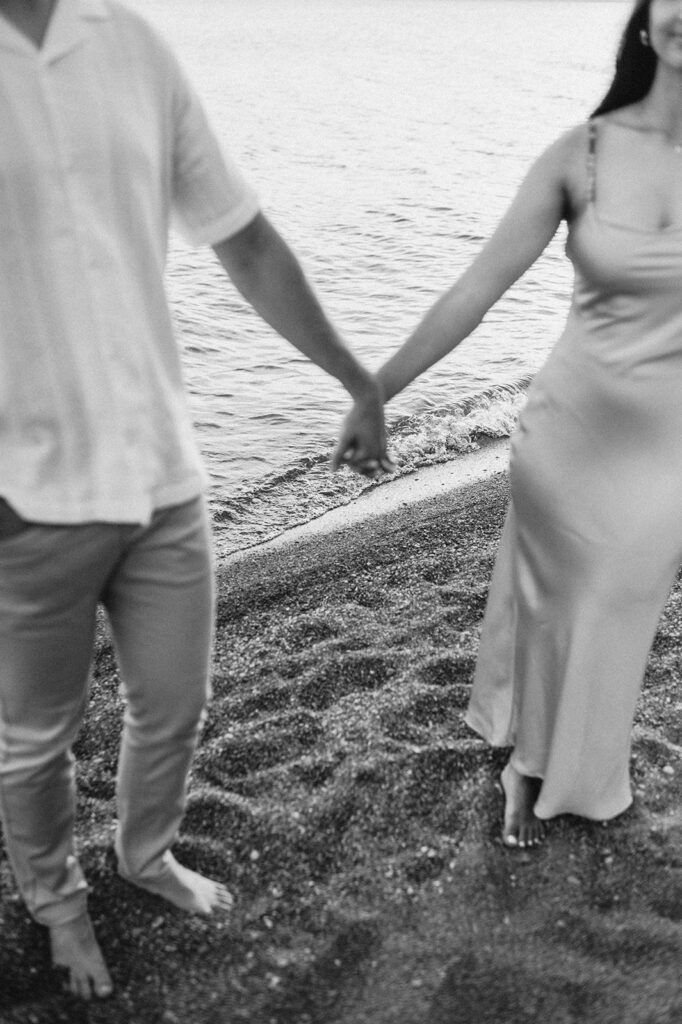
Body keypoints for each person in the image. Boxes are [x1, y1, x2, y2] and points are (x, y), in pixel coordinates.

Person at [0, 0, 392, 1002]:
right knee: (38, 736)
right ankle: (57, 906)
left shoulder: (126, 42)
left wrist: (359, 382)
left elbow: (245, 239)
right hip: (25, 499)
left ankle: (143, 854)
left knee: (172, 704)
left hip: (165, 477)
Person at [340, 0, 682, 849]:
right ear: (645, 22)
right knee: (560, 601)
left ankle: (569, 764)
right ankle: (526, 768)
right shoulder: (582, 153)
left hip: (670, 445)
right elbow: (476, 287)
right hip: (569, 433)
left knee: (618, 604)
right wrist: (379, 387)